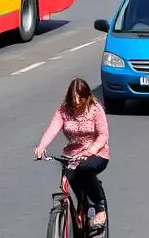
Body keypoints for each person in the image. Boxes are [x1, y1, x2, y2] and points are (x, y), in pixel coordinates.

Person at [34, 78, 110, 234]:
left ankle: (99, 207)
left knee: (85, 169)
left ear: (87, 96)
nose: (76, 102)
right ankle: (80, 211)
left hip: (96, 153)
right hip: (72, 154)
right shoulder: (64, 109)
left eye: (80, 98)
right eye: (73, 98)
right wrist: (41, 147)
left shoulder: (95, 109)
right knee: (72, 178)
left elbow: (103, 135)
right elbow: (53, 128)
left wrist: (91, 150)